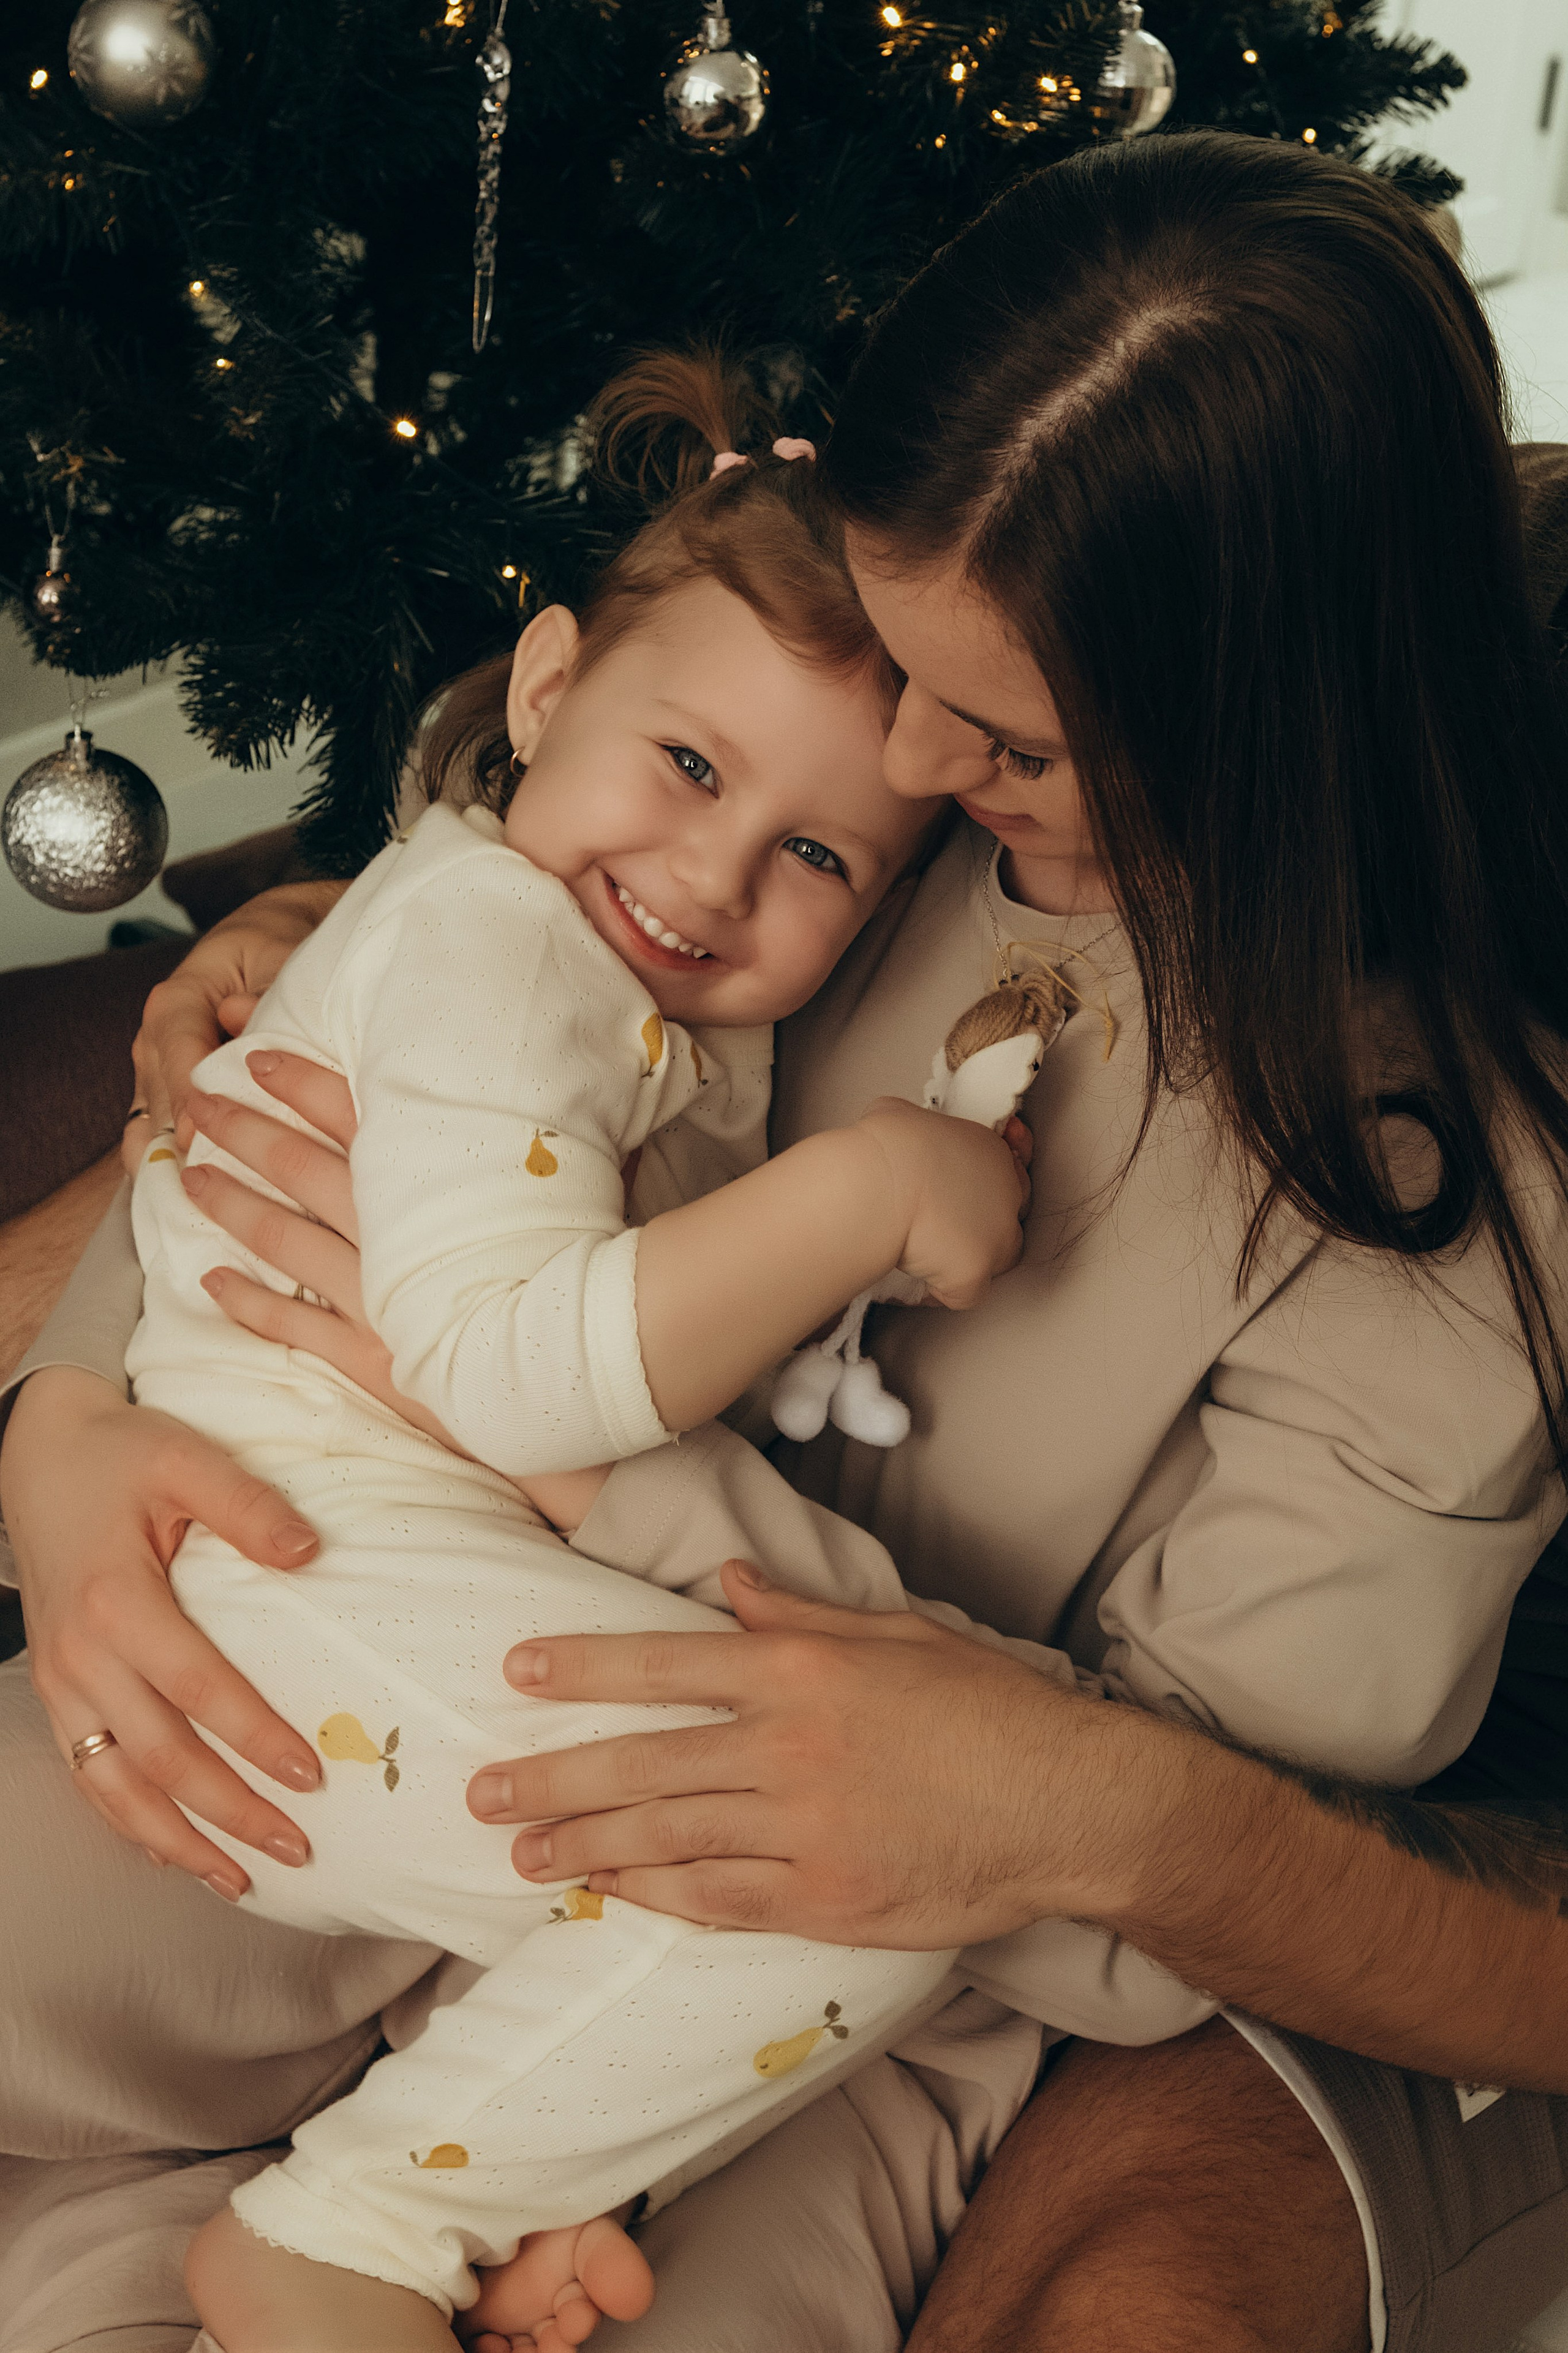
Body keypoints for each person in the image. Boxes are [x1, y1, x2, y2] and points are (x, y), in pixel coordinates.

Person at [4, 130, 1568, 2353]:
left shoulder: (1429, 1222)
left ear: (1257, 716)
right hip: (358, 1669)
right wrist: (67, 1414)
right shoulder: (798, 796)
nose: (916, 756)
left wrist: (577, 1452)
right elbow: (387, 1046)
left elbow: (1145, 1900)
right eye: (912, 657)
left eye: (1009, 733)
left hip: (808, 1990)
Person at [121, 351, 1048, 2353]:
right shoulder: (497, 946)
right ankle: (342, 2230)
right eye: (691, 767)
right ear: (543, 690)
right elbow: (518, 1375)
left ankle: (524, 2180)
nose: (718, 875)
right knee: (865, 1861)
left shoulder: (550, 934)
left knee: (851, 1817)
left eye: (821, 857)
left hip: (369, 1578)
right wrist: (882, 1183)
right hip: (300, 1593)